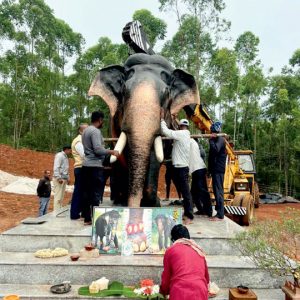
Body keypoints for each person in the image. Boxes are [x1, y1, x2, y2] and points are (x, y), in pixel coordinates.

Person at [81, 111, 119, 225]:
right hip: (94, 166)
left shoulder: (85, 131)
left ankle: (87, 218)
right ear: (100, 120)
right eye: (103, 121)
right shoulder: (95, 131)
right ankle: (96, 219)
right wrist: (112, 151)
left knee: (87, 192)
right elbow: (98, 149)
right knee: (96, 193)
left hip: (86, 165)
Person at [160, 224, 210, 300]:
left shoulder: (171, 250)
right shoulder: (198, 250)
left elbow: (166, 278)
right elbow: (206, 278)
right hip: (200, 292)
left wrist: (163, 292)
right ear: (188, 237)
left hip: (179, 293)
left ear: (173, 239)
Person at [160, 113, 194, 224]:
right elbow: (175, 131)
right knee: (184, 191)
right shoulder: (184, 134)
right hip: (179, 167)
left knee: (185, 192)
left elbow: (167, 132)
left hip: (181, 168)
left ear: (181, 127)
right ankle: (187, 212)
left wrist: (162, 120)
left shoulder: (182, 134)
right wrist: (175, 119)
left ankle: (189, 215)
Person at [208, 121, 226, 221]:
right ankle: (218, 212)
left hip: (219, 170)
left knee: (219, 192)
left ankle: (220, 215)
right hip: (215, 170)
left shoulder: (220, 140)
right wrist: (209, 170)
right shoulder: (215, 140)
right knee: (216, 191)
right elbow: (211, 157)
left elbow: (215, 150)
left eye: (212, 131)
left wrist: (211, 140)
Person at [190, 138, 212, 217]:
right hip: (196, 170)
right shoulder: (195, 146)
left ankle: (208, 211)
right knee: (193, 192)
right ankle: (201, 210)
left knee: (202, 191)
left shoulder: (197, 147)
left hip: (199, 170)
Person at [70, 123, 88, 220]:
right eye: (86, 129)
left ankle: (79, 212)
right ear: (80, 131)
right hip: (81, 168)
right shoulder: (78, 141)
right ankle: (74, 213)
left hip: (81, 168)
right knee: (79, 191)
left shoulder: (82, 140)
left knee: (82, 191)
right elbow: (84, 155)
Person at [53, 146, 72, 212]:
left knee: (61, 196)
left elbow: (65, 168)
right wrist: (58, 178)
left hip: (63, 178)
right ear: (66, 150)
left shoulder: (65, 156)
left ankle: (59, 210)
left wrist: (68, 177)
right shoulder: (59, 156)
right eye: (70, 150)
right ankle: (56, 212)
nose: (71, 152)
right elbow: (56, 167)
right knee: (58, 196)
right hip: (59, 179)